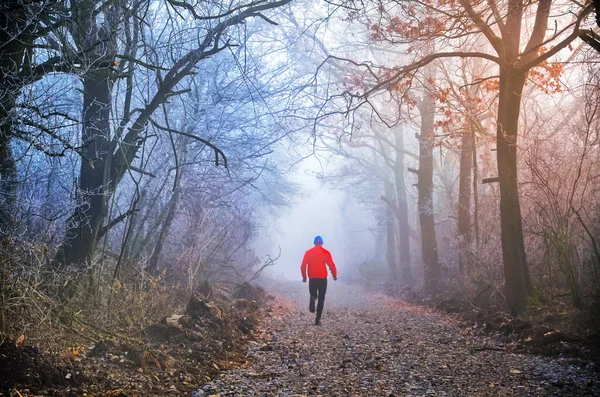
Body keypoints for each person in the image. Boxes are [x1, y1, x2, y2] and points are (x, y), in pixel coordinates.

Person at [301, 235, 337, 325]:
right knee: (321, 299)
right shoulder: (326, 252)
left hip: (312, 278)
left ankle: (313, 298)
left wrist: (304, 277)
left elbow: (303, 266)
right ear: (322, 243)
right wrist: (334, 275)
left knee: (313, 293)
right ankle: (317, 319)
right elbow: (331, 265)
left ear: (314, 243)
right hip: (322, 279)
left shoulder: (308, 253)